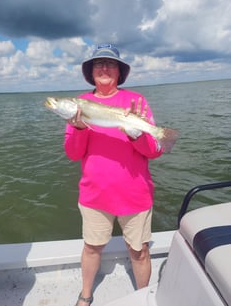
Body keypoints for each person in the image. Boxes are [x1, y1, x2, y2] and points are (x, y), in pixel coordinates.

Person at [64, 44, 163, 306]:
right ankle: (85, 295)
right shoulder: (79, 106)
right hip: (94, 195)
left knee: (139, 251)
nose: (105, 68)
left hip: (135, 194)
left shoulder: (136, 102)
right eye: (98, 64)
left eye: (110, 64)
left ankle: (142, 298)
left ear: (119, 72)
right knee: (92, 247)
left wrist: (137, 134)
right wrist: (78, 129)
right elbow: (73, 154)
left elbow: (154, 151)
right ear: (90, 72)